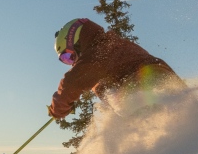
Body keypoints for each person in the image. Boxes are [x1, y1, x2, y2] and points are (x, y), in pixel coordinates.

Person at [48, 17, 183, 120]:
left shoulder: (99, 50)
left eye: (68, 56)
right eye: (65, 60)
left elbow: (72, 82)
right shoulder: (111, 44)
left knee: (132, 120)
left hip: (145, 81)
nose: (72, 62)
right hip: (162, 78)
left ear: (76, 41)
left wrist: (58, 108)